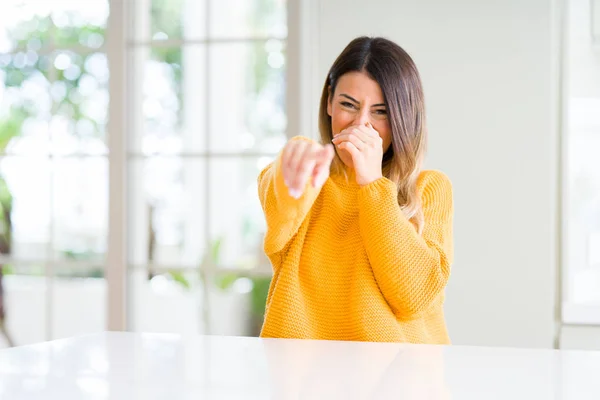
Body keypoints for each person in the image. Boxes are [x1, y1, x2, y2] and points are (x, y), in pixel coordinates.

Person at [257, 36, 453, 344]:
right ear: (329, 103)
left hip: (400, 383)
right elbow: (279, 199)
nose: (361, 124)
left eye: (381, 112)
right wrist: (294, 164)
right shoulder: (308, 173)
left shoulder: (429, 189)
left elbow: (413, 298)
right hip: (304, 379)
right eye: (349, 105)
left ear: (404, 117)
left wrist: (373, 183)